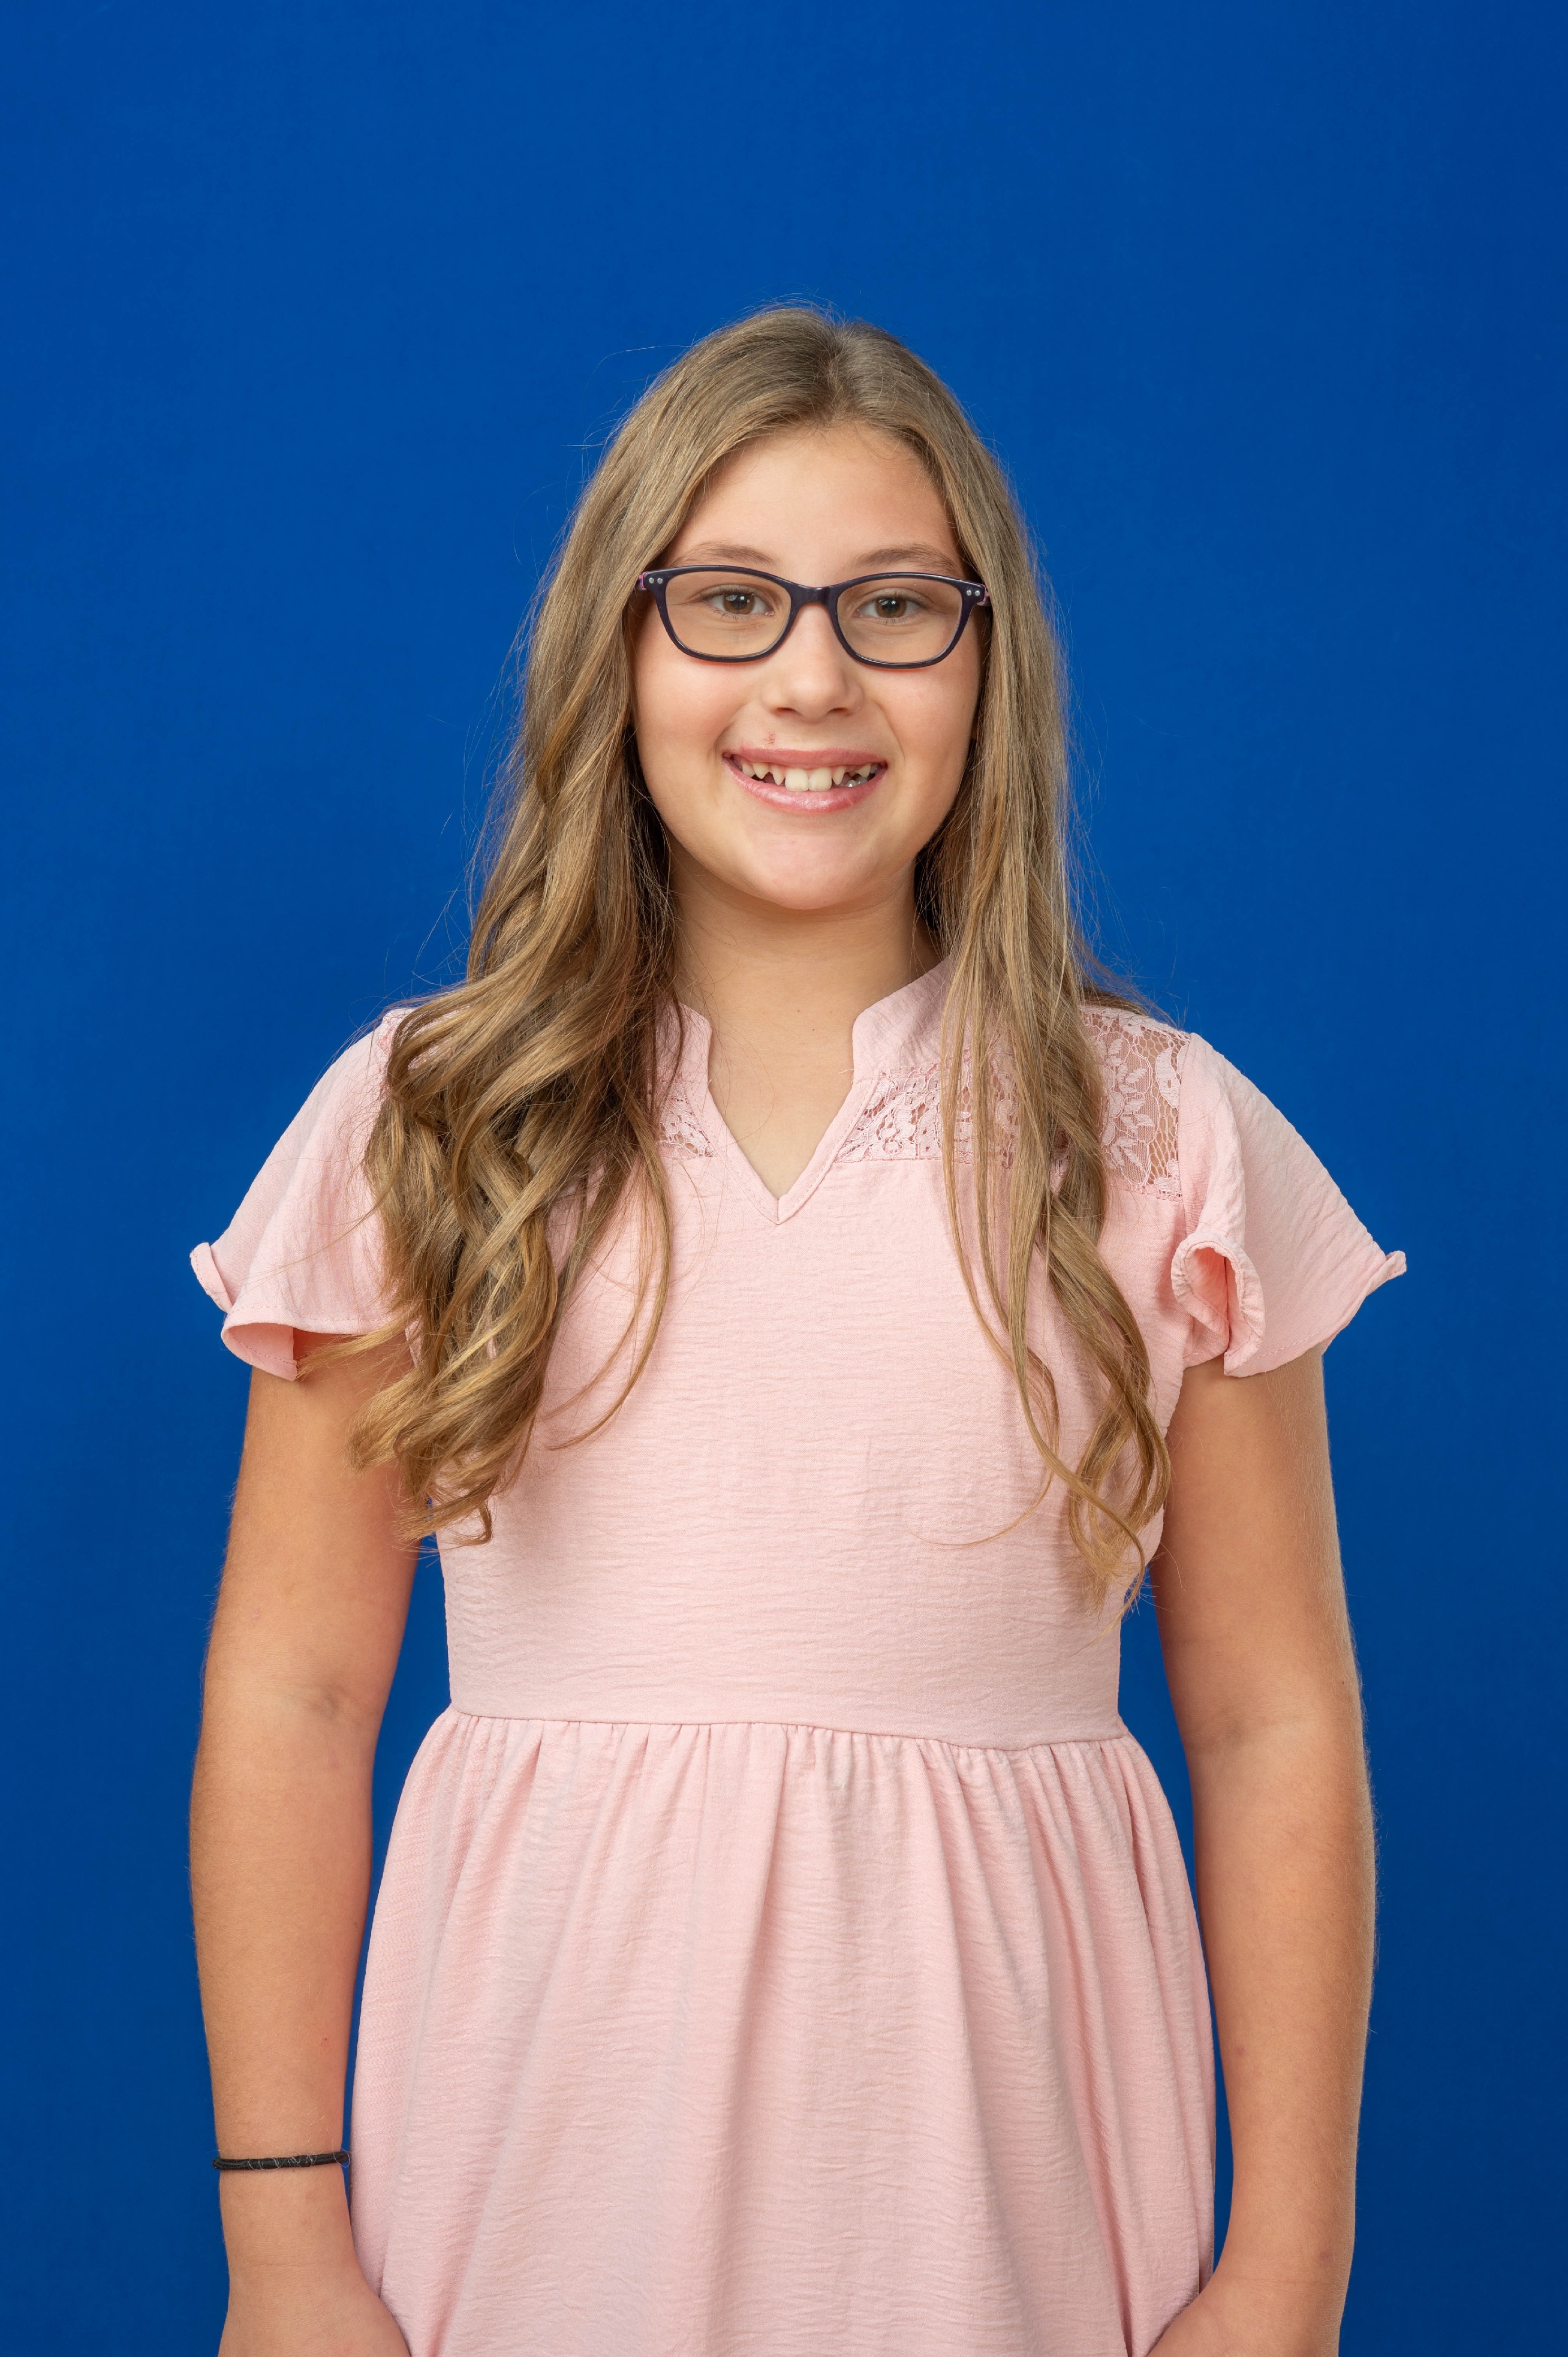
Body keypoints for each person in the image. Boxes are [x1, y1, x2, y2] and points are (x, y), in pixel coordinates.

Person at [189, 306, 1403, 2357]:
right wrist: (283, 2242)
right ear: (621, 650)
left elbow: (1277, 1719)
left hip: (1000, 2205)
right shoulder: (433, 1124)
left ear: (989, 665)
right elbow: (295, 1694)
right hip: (538, 2172)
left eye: (894, 606)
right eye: (732, 600)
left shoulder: (1164, 1144)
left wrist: (1287, 2267)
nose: (813, 677)